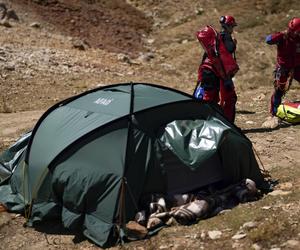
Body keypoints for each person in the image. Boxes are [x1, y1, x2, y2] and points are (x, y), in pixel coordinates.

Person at [194, 15, 239, 123]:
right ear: (228, 26)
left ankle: (206, 122)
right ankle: (227, 124)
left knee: (209, 98)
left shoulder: (215, 39)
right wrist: (234, 43)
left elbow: (206, 56)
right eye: (232, 27)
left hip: (207, 71)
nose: (232, 29)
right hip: (219, 73)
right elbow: (229, 49)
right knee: (230, 99)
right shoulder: (226, 37)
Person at [262, 17, 300, 129]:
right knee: (279, 90)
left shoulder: (298, 38)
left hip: (297, 67)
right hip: (283, 68)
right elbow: (268, 40)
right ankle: (274, 114)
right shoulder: (282, 37)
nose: (295, 34)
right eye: (294, 31)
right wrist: (278, 35)